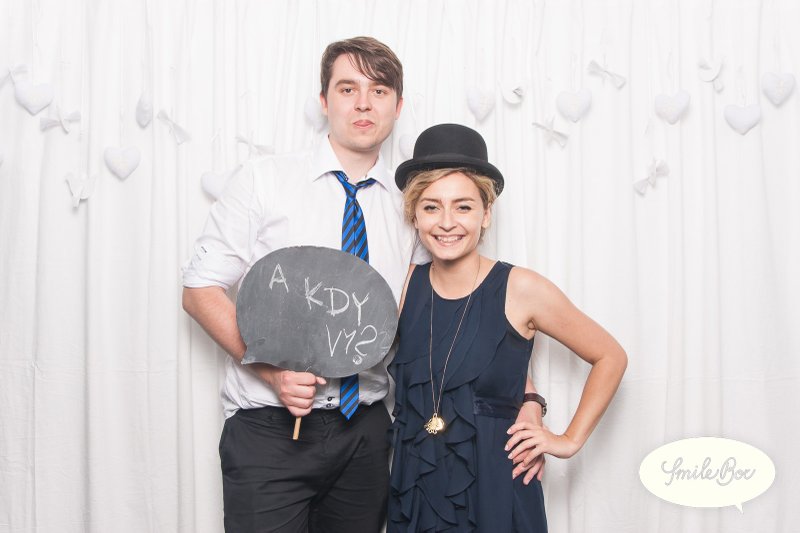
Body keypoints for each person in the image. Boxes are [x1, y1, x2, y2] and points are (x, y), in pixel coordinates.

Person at [182, 36, 414, 532]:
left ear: (397, 106)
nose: (364, 103)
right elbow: (200, 290)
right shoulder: (263, 180)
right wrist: (272, 373)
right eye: (348, 89)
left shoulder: (413, 205)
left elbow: (446, 303)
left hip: (366, 429)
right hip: (269, 430)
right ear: (324, 101)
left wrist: (523, 395)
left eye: (378, 90)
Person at [388, 124, 628, 532]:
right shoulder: (403, 284)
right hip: (417, 484)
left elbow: (610, 356)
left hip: (499, 485)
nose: (446, 222)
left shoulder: (522, 288)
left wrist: (567, 440)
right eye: (431, 207)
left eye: (463, 207)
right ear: (414, 214)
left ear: (486, 214)